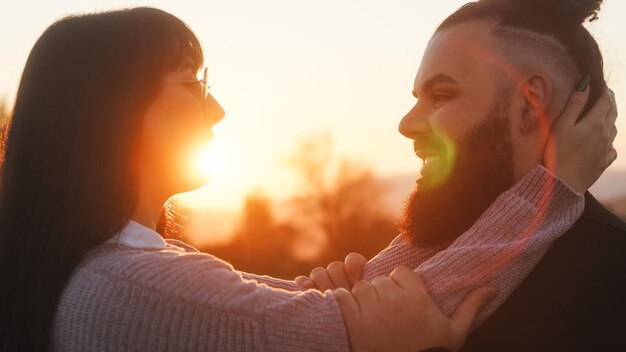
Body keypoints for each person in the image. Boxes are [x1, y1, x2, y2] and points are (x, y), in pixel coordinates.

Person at [0, 4, 615, 352]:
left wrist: (357, 290)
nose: (217, 111)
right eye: (194, 87)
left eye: (441, 94)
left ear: (531, 103)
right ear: (111, 111)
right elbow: (413, 310)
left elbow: (323, 313)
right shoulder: (135, 287)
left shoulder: (110, 271)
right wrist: (554, 188)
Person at [291, 0, 625, 350]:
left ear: (529, 104)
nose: (406, 125)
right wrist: (333, 317)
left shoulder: (612, 280)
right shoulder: (422, 257)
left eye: (440, 96)